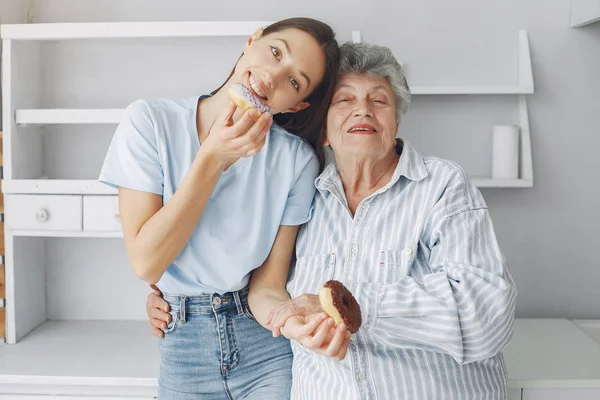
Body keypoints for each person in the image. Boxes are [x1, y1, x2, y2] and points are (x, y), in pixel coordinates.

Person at [148, 42, 518, 400]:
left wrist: (351, 304)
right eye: (344, 100)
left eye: (379, 100)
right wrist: (172, 296)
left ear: (396, 121)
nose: (363, 111)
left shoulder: (441, 186)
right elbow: (256, 278)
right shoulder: (301, 191)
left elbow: (487, 316)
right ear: (323, 129)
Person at [99, 17, 340, 399]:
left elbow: (268, 286)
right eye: (275, 52)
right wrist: (211, 158)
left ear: (299, 104)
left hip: (265, 348)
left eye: (295, 82)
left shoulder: (296, 162)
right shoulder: (148, 123)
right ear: (252, 40)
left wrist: (290, 321)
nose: (273, 76)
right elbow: (146, 262)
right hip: (184, 349)